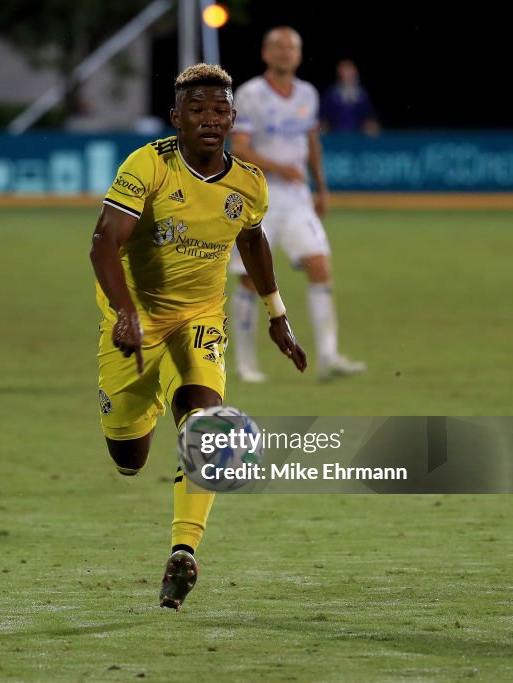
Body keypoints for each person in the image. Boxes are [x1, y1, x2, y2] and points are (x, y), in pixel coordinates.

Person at [89, 63, 307, 610]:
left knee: (206, 421)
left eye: (219, 110)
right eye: (197, 110)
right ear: (176, 118)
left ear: (233, 117)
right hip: (135, 320)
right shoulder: (149, 165)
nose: (209, 119)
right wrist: (122, 310)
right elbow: (102, 242)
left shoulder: (248, 183)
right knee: (129, 456)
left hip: (200, 318)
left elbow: (252, 241)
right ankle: (148, 403)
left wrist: (277, 313)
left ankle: (183, 551)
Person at [229, 27, 366, 383]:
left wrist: (321, 188)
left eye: (292, 48)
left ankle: (329, 356)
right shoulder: (251, 94)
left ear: (299, 55)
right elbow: (239, 147)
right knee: (249, 280)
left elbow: (311, 142)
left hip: (296, 199)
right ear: (266, 54)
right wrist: (279, 167)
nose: (286, 53)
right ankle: (245, 363)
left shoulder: (307, 94)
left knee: (320, 266)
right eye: (279, 47)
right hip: (258, 198)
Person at [320, 59, 380, 136]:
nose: (347, 74)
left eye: (349, 70)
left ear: (355, 72)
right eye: (344, 70)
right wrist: (321, 129)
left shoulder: (362, 94)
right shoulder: (331, 93)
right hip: (336, 136)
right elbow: (323, 117)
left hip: (358, 136)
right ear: (339, 73)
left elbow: (370, 117)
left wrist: (372, 127)